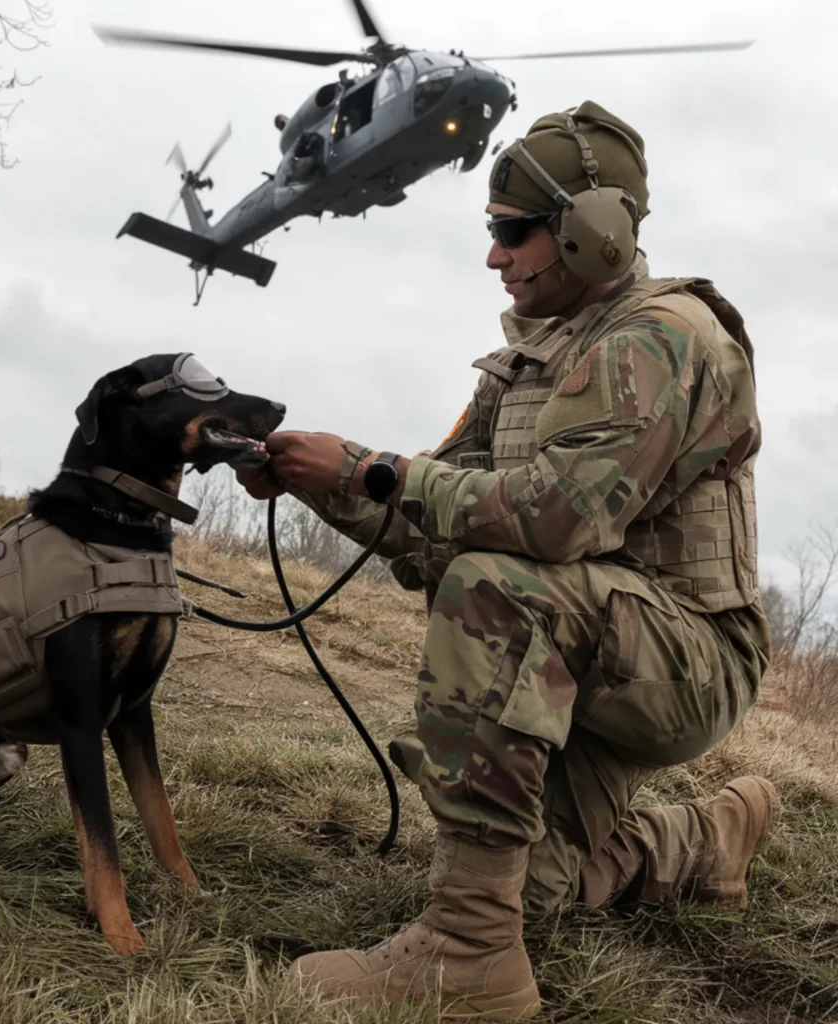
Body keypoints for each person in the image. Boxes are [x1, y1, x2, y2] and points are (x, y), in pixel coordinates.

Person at [236, 100, 778, 1022]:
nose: (494, 257)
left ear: (592, 233)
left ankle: (467, 957)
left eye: (511, 232)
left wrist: (371, 472)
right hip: (591, 658)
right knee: (532, 887)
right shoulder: (526, 362)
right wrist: (316, 478)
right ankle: (696, 839)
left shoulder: (662, 337)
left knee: (497, 585)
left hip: (685, 662)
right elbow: (435, 510)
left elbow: (556, 523)